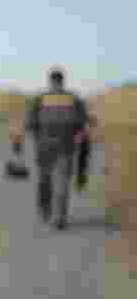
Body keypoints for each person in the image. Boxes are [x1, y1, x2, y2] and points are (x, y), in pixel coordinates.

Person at [24, 66, 91, 230]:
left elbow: (31, 124)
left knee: (45, 180)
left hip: (44, 146)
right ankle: (60, 218)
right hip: (66, 146)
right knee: (62, 182)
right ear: (62, 81)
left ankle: (45, 210)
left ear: (50, 81)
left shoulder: (40, 98)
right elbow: (83, 124)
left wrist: (37, 138)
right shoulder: (74, 99)